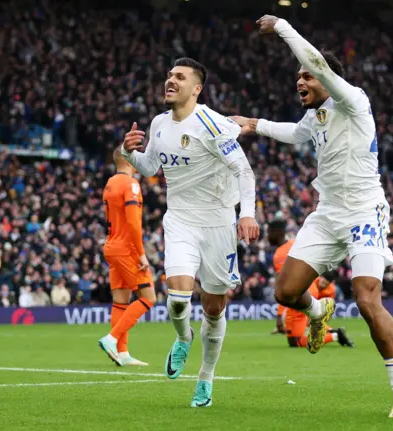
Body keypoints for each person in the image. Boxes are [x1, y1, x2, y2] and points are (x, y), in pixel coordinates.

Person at [231, 16, 393, 418]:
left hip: (365, 211)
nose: (301, 82)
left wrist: (282, 26)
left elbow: (316, 64)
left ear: (325, 78)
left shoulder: (353, 101)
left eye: (307, 78)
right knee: (285, 293)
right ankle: (319, 312)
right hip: (328, 213)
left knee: (367, 299)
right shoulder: (315, 117)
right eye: (297, 78)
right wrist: (253, 125)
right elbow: (297, 135)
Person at [121, 57, 259, 407]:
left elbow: (244, 172)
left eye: (179, 77)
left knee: (214, 309)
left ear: (196, 88)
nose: (171, 80)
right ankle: (183, 338)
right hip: (180, 218)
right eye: (169, 75)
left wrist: (247, 214)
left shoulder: (213, 124)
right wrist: (127, 152)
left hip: (218, 223)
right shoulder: (158, 124)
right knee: (178, 299)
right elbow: (151, 167)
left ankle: (205, 378)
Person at [98, 151, 156, 367]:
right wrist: (141, 253)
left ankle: (122, 352)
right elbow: (133, 223)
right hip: (126, 248)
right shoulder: (130, 184)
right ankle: (111, 338)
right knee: (148, 297)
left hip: (111, 246)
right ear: (129, 159)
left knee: (120, 301)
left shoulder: (110, 182)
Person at [268, 220, 355, 348]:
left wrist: (280, 317)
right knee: (308, 322)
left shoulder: (280, 254)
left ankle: (335, 336)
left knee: (296, 341)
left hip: (300, 293)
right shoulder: (294, 244)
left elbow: (285, 287)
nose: (267, 236)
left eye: (269, 233)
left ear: (278, 233)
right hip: (309, 287)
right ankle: (329, 330)